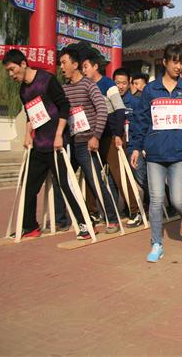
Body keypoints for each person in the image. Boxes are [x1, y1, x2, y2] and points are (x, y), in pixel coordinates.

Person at [2, 49, 92, 240]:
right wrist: (27, 135)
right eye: (8, 71)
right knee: (28, 186)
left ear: (23, 64)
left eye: (12, 69)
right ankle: (30, 227)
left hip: (57, 144)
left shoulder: (47, 80)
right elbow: (30, 115)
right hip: (39, 145)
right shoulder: (23, 90)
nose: (11, 74)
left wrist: (59, 135)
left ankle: (84, 224)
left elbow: (64, 106)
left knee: (65, 185)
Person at [130, 45, 182, 262]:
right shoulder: (151, 90)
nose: (178, 66)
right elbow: (141, 121)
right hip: (155, 154)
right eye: (174, 61)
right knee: (156, 200)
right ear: (165, 62)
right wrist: (135, 147)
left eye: (181, 62)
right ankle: (157, 244)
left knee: (178, 200)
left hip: (179, 153)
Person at [59, 48, 120, 234]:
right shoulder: (64, 89)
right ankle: (75, 219)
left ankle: (112, 219)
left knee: (96, 182)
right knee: (63, 180)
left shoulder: (89, 85)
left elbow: (102, 109)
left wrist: (96, 136)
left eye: (64, 63)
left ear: (75, 64)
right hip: (71, 143)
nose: (61, 67)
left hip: (87, 143)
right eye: (60, 63)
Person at [111, 67, 145, 227]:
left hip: (133, 146)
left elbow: (142, 125)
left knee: (141, 177)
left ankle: (160, 202)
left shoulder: (136, 102)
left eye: (124, 83)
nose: (120, 86)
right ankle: (129, 209)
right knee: (120, 178)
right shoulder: (110, 102)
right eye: (117, 83)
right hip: (117, 146)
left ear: (129, 83)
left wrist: (139, 147)